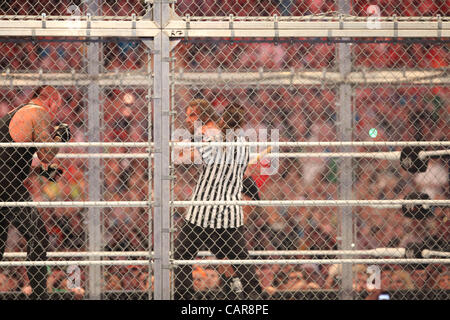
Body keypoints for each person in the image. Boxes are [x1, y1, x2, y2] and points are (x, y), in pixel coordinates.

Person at [173, 99, 262, 300]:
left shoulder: (209, 139)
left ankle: (185, 299)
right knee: (239, 259)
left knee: (182, 255)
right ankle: (255, 296)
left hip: (202, 212)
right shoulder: (242, 143)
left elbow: (182, 157)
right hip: (230, 213)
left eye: (193, 115)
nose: (188, 120)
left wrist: (191, 142)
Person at [0, 86, 71, 299]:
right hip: (6, 182)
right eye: (57, 106)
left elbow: (10, 160)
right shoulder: (37, 112)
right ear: (51, 101)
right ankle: (40, 295)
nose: (56, 113)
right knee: (38, 234)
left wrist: (40, 171)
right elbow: (48, 154)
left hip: (5, 180)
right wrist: (60, 138)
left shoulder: (18, 112)